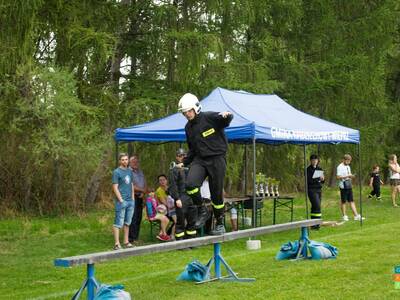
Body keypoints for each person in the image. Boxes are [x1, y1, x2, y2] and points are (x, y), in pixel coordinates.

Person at [178, 93, 233, 235]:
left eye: (189, 111)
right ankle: (202, 209)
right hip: (200, 160)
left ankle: (220, 223)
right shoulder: (188, 128)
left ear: (196, 108)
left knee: (216, 194)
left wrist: (228, 115)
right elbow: (192, 149)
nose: (187, 114)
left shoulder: (209, 117)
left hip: (217, 159)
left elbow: (225, 120)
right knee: (190, 185)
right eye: (184, 113)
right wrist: (184, 162)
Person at [168, 148, 197, 240]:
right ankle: (180, 241)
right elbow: (173, 186)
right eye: (180, 156)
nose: (182, 157)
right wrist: (177, 199)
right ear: (177, 157)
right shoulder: (174, 170)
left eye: (184, 155)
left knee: (192, 220)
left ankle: (191, 240)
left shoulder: (192, 167)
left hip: (192, 197)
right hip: (181, 197)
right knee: (180, 221)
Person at [112, 153, 135, 250]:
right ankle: (117, 244)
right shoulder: (116, 172)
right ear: (119, 161)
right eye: (123, 159)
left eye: (126, 159)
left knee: (127, 222)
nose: (125, 161)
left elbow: (131, 184)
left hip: (130, 201)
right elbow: (115, 187)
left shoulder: (130, 171)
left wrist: (133, 198)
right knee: (118, 223)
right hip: (122, 201)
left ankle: (126, 241)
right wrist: (121, 200)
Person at [336, 154, 364, 221]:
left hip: (349, 185)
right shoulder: (339, 167)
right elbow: (338, 177)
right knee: (343, 201)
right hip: (343, 186)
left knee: (351, 200)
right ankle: (344, 216)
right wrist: (346, 176)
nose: (349, 162)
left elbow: (349, 175)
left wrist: (351, 176)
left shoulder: (348, 166)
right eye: (348, 161)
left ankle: (356, 215)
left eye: (349, 161)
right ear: (344, 160)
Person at [128, 155, 147, 245]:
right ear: (130, 163)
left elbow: (144, 182)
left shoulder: (140, 171)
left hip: (140, 197)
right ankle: (131, 238)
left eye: (137, 162)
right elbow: (130, 185)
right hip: (132, 197)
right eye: (133, 162)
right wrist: (142, 190)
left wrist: (143, 193)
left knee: (139, 218)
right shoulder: (128, 172)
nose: (135, 163)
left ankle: (136, 237)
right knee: (133, 218)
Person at [306, 154, 325, 230]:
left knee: (315, 207)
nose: (315, 162)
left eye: (316, 160)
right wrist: (317, 178)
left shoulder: (319, 169)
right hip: (311, 190)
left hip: (318, 189)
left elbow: (322, 181)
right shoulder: (308, 170)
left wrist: (323, 179)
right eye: (313, 160)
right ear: (310, 161)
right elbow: (309, 181)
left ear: (318, 161)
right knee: (317, 205)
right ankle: (317, 224)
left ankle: (314, 224)